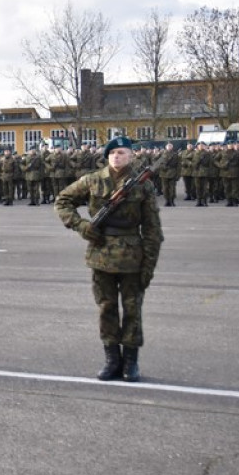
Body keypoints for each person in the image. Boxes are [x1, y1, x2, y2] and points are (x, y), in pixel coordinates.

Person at [54, 135, 163, 382]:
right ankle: (112, 359)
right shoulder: (93, 180)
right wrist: (81, 225)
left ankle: (131, 362)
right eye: (113, 153)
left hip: (132, 256)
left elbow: (153, 229)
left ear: (131, 156)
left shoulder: (142, 185)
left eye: (122, 152)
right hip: (101, 254)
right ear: (107, 156)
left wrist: (149, 263)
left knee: (133, 309)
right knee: (106, 307)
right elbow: (62, 202)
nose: (117, 157)